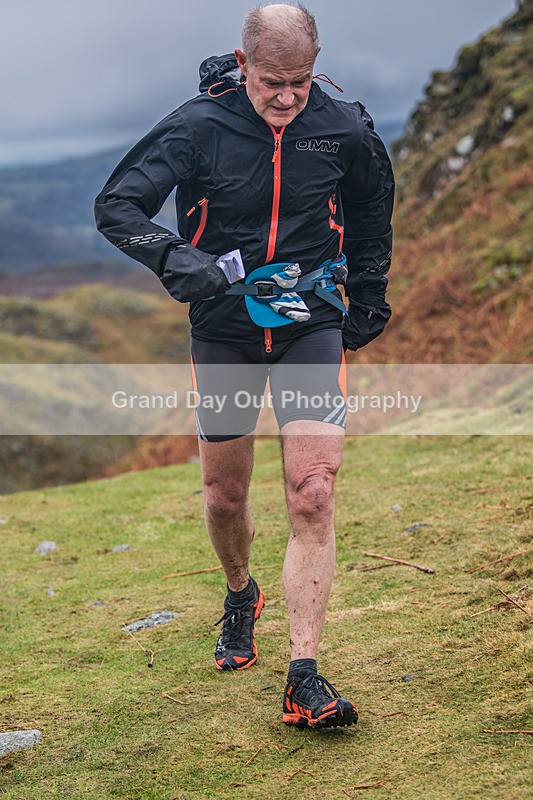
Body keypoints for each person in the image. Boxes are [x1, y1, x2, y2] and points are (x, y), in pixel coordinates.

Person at [95, 2, 394, 729]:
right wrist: (179, 260)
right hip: (225, 326)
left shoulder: (344, 128)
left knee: (313, 491)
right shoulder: (198, 125)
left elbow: (371, 210)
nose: (286, 98)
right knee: (225, 497)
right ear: (242, 63)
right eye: (270, 82)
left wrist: (369, 292)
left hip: (307, 322)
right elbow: (117, 206)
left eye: (299, 82)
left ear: (315, 67)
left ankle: (304, 676)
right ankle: (240, 592)